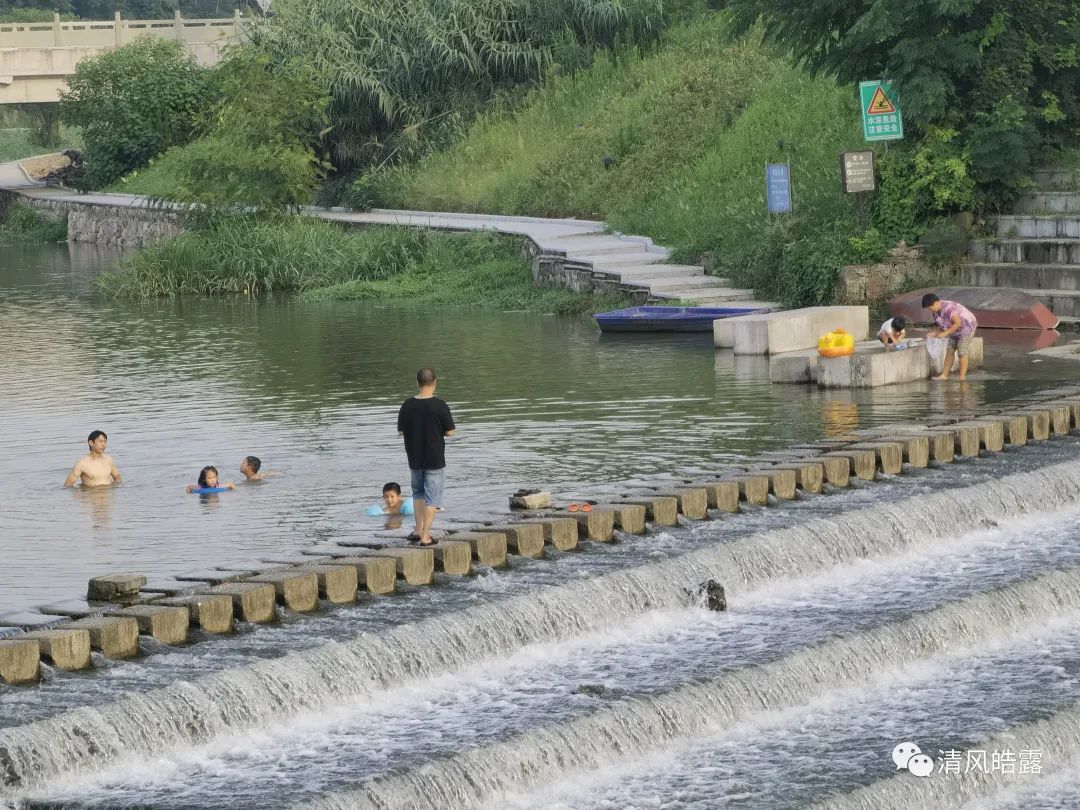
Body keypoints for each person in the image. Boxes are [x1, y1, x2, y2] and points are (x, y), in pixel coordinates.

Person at [397, 368, 456, 546]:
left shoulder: (407, 405)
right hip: (434, 459)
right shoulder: (440, 405)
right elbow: (450, 432)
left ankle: (417, 529)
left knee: (418, 494)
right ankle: (425, 536)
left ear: (417, 383)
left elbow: (401, 432)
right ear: (435, 382)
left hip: (414, 458)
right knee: (433, 498)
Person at [922, 293, 978, 380]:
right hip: (954, 329)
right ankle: (944, 375)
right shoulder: (935, 312)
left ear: (936, 302)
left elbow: (958, 323)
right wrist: (935, 333)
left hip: (967, 327)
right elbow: (942, 325)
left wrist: (946, 333)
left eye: (930, 308)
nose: (930, 310)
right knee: (950, 350)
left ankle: (962, 377)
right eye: (929, 309)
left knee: (962, 351)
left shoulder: (949, 307)